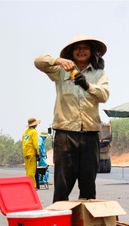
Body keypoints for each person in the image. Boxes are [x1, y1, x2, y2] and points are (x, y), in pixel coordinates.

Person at [35, 35, 109, 201]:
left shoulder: (99, 74)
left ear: (91, 52)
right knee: (62, 187)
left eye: (85, 48)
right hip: (65, 134)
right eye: (78, 48)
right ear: (71, 52)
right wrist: (58, 61)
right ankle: (61, 224)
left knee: (88, 186)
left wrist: (87, 85)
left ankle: (86, 225)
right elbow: (38, 62)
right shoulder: (61, 71)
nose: (81, 51)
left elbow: (104, 95)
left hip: (90, 135)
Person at [22, 117, 41, 189]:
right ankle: (33, 186)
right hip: (32, 153)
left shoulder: (25, 133)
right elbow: (35, 144)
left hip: (26, 153)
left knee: (27, 170)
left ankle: (28, 185)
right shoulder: (34, 131)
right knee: (32, 171)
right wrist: (38, 153)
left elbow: (23, 143)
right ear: (34, 124)